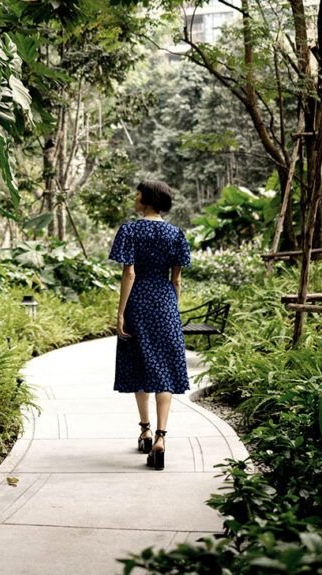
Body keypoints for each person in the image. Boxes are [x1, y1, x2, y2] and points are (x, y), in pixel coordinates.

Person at [108, 181, 191, 471]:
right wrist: (172, 310)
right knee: (164, 369)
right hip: (165, 302)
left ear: (147, 199)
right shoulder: (176, 233)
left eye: (138, 193)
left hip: (138, 301)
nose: (135, 197)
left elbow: (128, 274)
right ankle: (160, 437)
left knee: (140, 363)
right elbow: (176, 279)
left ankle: (144, 429)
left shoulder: (130, 230)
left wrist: (121, 313)